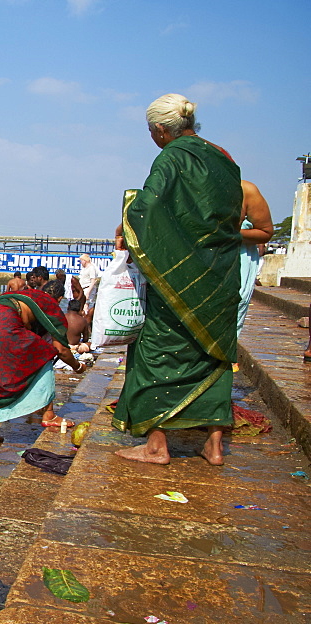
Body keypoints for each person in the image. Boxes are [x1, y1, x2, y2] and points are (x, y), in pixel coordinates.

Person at [112, 93, 242, 466]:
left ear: (159, 130)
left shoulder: (172, 156)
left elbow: (148, 207)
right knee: (214, 354)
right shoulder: (223, 158)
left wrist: (127, 218)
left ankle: (155, 446)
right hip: (220, 272)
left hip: (180, 276)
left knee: (155, 351)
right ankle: (214, 446)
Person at [0, 285, 85, 446]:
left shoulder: (23, 294)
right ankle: (49, 415)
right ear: (59, 299)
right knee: (45, 353)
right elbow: (61, 350)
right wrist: (78, 366)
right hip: (5, 322)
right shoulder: (50, 306)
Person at [235, 180, 274, 353]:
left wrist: (227, 234)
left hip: (237, 264)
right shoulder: (182, 186)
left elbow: (265, 232)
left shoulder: (246, 190)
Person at [78, 254, 100, 320]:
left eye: (81, 261)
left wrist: (88, 292)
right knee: (82, 305)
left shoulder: (91, 268)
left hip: (88, 288)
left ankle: (86, 320)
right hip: (83, 288)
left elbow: (93, 281)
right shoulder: (84, 268)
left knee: (86, 305)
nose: (80, 262)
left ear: (85, 261)